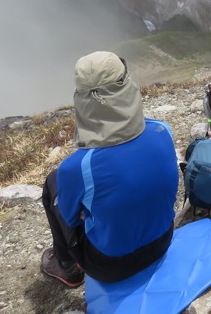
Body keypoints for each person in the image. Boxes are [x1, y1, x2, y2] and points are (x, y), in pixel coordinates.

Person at [40, 51, 179, 287]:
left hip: (110, 266)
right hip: (163, 240)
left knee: (52, 183)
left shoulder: (77, 167)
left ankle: (67, 266)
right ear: (127, 87)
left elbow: (72, 218)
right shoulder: (161, 130)